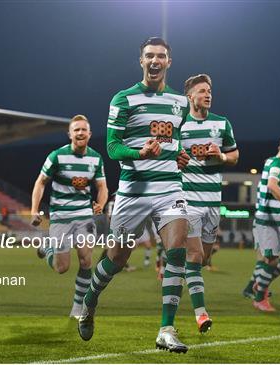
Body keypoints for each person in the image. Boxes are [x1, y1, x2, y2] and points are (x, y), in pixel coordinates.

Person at [78, 37, 192, 353]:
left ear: (169, 61)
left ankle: (166, 329)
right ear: (140, 61)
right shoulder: (124, 99)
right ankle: (90, 299)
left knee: (177, 249)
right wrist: (140, 152)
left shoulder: (180, 102)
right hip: (133, 192)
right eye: (149, 56)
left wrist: (180, 155)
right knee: (116, 258)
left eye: (161, 56)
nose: (155, 61)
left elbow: (175, 142)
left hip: (170, 188)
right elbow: (113, 147)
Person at [30, 114, 108, 318]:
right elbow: (40, 182)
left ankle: (77, 308)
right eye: (76, 130)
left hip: (84, 215)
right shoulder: (56, 156)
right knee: (61, 267)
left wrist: (100, 204)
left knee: (86, 260)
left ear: (89, 134)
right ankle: (47, 249)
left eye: (84, 130)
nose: (80, 133)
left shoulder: (96, 158)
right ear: (70, 134)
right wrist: (34, 209)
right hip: (61, 216)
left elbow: (102, 186)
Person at [180, 73, 239, 332]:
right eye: (202, 91)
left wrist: (222, 158)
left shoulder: (222, 124)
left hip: (213, 201)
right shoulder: (179, 125)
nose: (208, 95)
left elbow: (235, 155)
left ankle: (179, 266)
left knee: (202, 260)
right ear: (190, 96)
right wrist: (176, 159)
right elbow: (167, 156)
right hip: (188, 200)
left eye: (209, 91)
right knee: (194, 257)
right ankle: (201, 314)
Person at [243, 135, 280, 312]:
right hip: (267, 220)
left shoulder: (272, 162)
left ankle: (260, 283)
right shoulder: (277, 164)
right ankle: (260, 297)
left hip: (278, 219)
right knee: (272, 260)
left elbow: (274, 188)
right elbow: (272, 186)